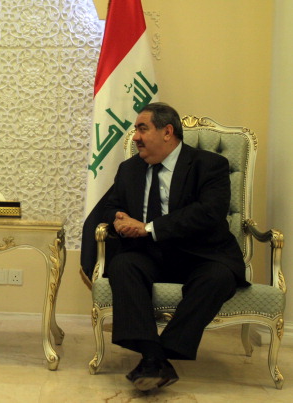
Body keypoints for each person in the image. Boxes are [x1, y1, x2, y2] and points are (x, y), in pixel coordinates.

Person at [102, 102, 248, 391]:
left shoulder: (209, 165)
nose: (135, 137)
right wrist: (118, 220)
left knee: (218, 277)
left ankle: (157, 356)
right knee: (122, 264)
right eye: (135, 130)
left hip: (203, 253)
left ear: (167, 131)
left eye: (142, 129)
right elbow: (111, 206)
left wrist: (147, 228)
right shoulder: (129, 168)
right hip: (149, 255)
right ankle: (156, 361)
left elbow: (209, 212)